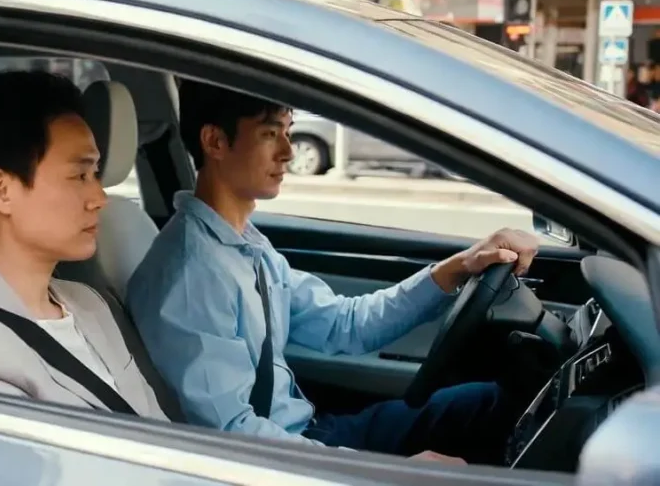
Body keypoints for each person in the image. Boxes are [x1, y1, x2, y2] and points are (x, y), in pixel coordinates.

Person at [125, 79, 539, 465]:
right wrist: (371, 472)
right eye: (270, 133)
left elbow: (345, 324)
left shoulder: (243, 244)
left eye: (289, 131)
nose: (288, 152)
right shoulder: (189, 274)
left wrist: (457, 268)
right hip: (286, 460)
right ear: (215, 141)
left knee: (487, 403)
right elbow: (233, 435)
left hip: (306, 435)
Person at [0, 71, 169, 420]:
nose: (98, 198)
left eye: (95, 174)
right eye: (79, 175)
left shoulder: (90, 303)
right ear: (2, 191)